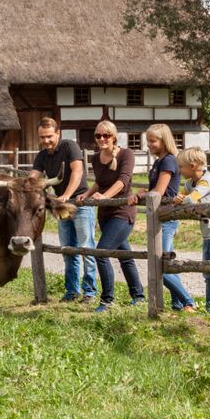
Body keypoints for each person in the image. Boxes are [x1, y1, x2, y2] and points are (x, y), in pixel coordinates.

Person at [129, 124, 195, 312]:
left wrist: (143, 194)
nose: (148, 144)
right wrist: (144, 191)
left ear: (164, 141)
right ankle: (178, 304)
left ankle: (188, 301)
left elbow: (159, 191)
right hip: (161, 216)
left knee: (160, 265)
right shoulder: (159, 161)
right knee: (168, 262)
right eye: (147, 140)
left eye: (152, 141)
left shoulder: (168, 161)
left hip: (167, 217)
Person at [80, 120, 144, 312]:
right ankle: (138, 296)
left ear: (114, 137)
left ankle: (106, 300)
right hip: (105, 215)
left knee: (102, 253)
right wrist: (88, 194)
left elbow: (123, 181)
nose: (101, 139)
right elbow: (99, 182)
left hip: (122, 213)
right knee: (125, 257)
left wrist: (105, 196)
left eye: (105, 135)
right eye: (98, 136)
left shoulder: (127, 154)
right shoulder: (96, 158)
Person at [30, 117, 93, 302]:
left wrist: (66, 195)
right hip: (61, 206)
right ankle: (72, 292)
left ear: (58, 133)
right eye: (42, 137)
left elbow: (78, 171)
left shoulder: (69, 146)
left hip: (80, 204)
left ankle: (89, 292)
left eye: (49, 136)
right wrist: (24, 185)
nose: (46, 141)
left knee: (86, 248)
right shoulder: (42, 156)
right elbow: (33, 178)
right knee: (67, 250)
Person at [173, 147, 210, 312]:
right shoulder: (189, 182)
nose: (179, 170)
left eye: (181, 167)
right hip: (208, 233)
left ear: (192, 166)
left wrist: (182, 199)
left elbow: (191, 199)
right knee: (209, 274)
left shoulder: (206, 181)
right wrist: (179, 198)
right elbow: (181, 196)